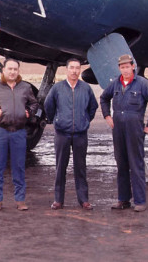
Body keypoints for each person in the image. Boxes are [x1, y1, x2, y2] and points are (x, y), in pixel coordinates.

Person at [100, 54, 148, 212]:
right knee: (121, 164)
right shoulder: (115, 84)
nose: (125, 69)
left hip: (135, 130)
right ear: (119, 68)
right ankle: (123, 199)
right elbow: (103, 98)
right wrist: (107, 115)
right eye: (122, 67)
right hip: (118, 129)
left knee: (136, 164)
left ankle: (140, 201)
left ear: (133, 66)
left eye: (128, 66)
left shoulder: (142, 84)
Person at [0, 58, 38, 211]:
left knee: (19, 167)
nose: (12, 72)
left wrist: (29, 112)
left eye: (15, 69)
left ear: (18, 71)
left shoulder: (25, 87)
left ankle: (20, 200)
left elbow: (34, 103)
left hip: (18, 132)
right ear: (3, 70)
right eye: (9, 69)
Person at [44, 58, 98, 210]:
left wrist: (85, 120)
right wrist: (57, 120)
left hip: (80, 134)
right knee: (60, 167)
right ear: (66, 69)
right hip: (62, 134)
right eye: (72, 68)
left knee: (80, 167)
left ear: (80, 70)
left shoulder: (86, 88)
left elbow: (93, 107)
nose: (74, 71)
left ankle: (84, 200)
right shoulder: (57, 88)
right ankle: (58, 200)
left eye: (77, 68)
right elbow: (49, 106)